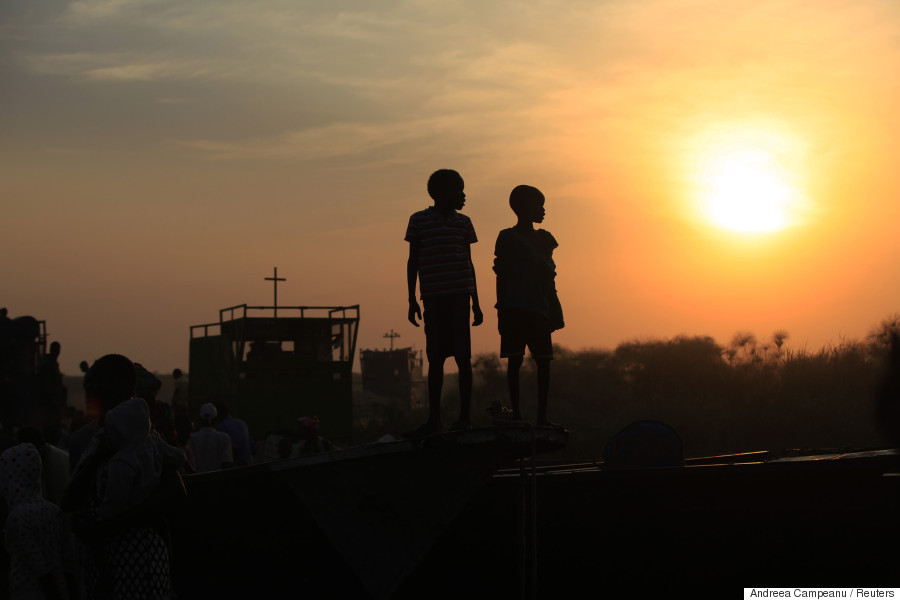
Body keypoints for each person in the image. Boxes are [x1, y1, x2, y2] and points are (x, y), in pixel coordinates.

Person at [64, 396, 186, 599]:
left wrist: (102, 521)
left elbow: (114, 499)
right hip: (145, 552)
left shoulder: (122, 461)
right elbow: (178, 456)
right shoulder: (152, 445)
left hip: (127, 550)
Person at [405, 169, 483, 436]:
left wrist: (476, 302)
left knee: (463, 358)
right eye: (459, 190)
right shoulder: (418, 221)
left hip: (460, 296)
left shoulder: (464, 223)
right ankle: (434, 419)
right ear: (442, 193)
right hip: (434, 299)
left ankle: (464, 418)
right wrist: (411, 298)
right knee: (435, 358)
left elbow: (468, 263)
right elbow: (413, 261)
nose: (463, 196)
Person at [493, 185, 565, 427]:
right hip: (514, 309)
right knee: (515, 361)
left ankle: (542, 417)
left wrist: (554, 307)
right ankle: (516, 415)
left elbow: (550, 279)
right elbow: (501, 275)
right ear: (522, 207)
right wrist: (501, 310)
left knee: (543, 363)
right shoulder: (508, 238)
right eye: (538, 205)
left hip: (540, 310)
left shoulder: (545, 239)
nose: (543, 210)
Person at [0, 443, 72, 600]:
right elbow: (68, 557)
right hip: (62, 588)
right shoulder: (54, 511)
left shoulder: (17, 517)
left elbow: (38, 566)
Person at [187, 403, 232, 473]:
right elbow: (227, 464)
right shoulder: (224, 438)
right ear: (216, 419)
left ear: (200, 419)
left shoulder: (191, 438)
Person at [214, 401, 254, 466]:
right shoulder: (242, 423)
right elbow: (252, 446)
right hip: (249, 464)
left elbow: (233, 449)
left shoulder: (222, 427)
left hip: (237, 467)